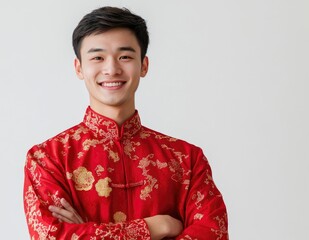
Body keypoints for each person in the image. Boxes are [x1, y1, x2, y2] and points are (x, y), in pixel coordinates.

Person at [23, 6, 228, 240]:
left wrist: (87, 231)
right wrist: (155, 227)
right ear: (79, 67)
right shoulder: (48, 159)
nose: (111, 69)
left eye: (125, 57)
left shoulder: (186, 160)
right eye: (98, 57)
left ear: (144, 65)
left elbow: (213, 234)